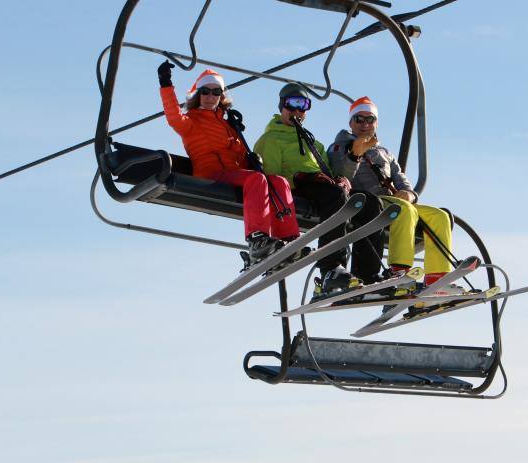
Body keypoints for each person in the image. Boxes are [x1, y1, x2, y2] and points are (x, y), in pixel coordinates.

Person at [157, 60, 300, 266]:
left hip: (234, 174)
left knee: (278, 182)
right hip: (210, 173)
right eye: (205, 91)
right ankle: (257, 240)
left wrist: (249, 159)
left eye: (216, 92)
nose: (210, 97)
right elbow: (173, 116)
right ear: (197, 94)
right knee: (257, 180)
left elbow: (239, 158)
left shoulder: (229, 125)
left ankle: (288, 239)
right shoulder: (191, 121)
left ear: (222, 96)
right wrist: (166, 84)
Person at [253, 83, 384, 298]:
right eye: (292, 106)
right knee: (335, 195)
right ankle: (330, 269)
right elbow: (272, 177)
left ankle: (366, 275)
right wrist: (301, 180)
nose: (297, 112)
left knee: (370, 203)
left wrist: (341, 179)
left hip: (323, 186)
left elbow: (331, 171)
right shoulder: (271, 139)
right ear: (281, 106)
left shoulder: (313, 142)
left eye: (303, 107)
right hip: (297, 187)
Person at [328, 96, 466, 296]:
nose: (365, 124)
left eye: (370, 119)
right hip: (366, 201)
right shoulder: (340, 146)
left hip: (392, 200)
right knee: (404, 210)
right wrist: (355, 154)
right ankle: (399, 270)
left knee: (439, 216)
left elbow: (401, 178)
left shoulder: (384, 152)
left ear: (376, 123)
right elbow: (340, 176)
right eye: (359, 119)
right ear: (351, 122)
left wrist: (409, 194)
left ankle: (437, 278)